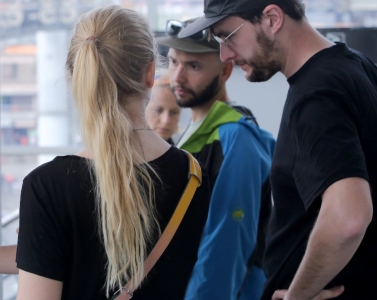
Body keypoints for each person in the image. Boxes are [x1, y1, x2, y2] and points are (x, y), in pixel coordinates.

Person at [0, 5, 211, 299]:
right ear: (150, 73)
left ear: (75, 76)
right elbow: (103, 251)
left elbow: (82, 254)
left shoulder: (49, 186)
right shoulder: (193, 173)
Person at [179, 0, 377, 299]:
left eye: (228, 36)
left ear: (272, 19)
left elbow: (348, 219)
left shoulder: (316, 95)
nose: (225, 54)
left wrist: (298, 295)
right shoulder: (356, 66)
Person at [157, 19, 275, 300]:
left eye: (194, 66)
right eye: (174, 62)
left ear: (225, 70)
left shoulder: (236, 138)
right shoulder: (194, 135)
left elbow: (226, 246)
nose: (178, 77)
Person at [145, 74, 181, 144]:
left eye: (174, 112)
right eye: (157, 110)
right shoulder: (122, 150)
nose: (166, 121)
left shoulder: (184, 153)